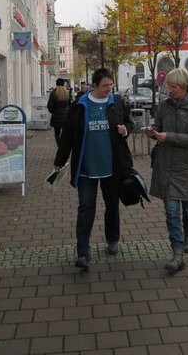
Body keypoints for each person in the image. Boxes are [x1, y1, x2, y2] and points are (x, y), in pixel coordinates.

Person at [54, 68, 133, 269]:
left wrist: (125, 130)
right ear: (95, 85)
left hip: (112, 166)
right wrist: (60, 159)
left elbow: (129, 123)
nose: (109, 89)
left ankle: (112, 239)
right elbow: (68, 135)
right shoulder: (79, 106)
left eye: (111, 85)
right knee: (86, 208)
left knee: (112, 205)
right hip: (86, 167)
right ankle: (83, 252)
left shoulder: (116, 102)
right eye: (105, 85)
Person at [145, 68, 188, 273]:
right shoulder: (164, 106)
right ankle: (177, 254)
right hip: (166, 166)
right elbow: (159, 126)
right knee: (171, 212)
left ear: (184, 86)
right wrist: (153, 132)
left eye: (174, 87)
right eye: (169, 86)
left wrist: (168, 137)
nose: (170, 90)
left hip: (186, 168)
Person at [47, 78, 70, 146]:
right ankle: (64, 147)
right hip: (66, 116)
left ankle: (59, 147)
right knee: (65, 133)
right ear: (63, 84)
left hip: (56, 117)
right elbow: (69, 105)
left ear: (56, 84)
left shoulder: (53, 93)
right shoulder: (67, 93)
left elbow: (50, 106)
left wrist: (54, 112)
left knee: (57, 133)